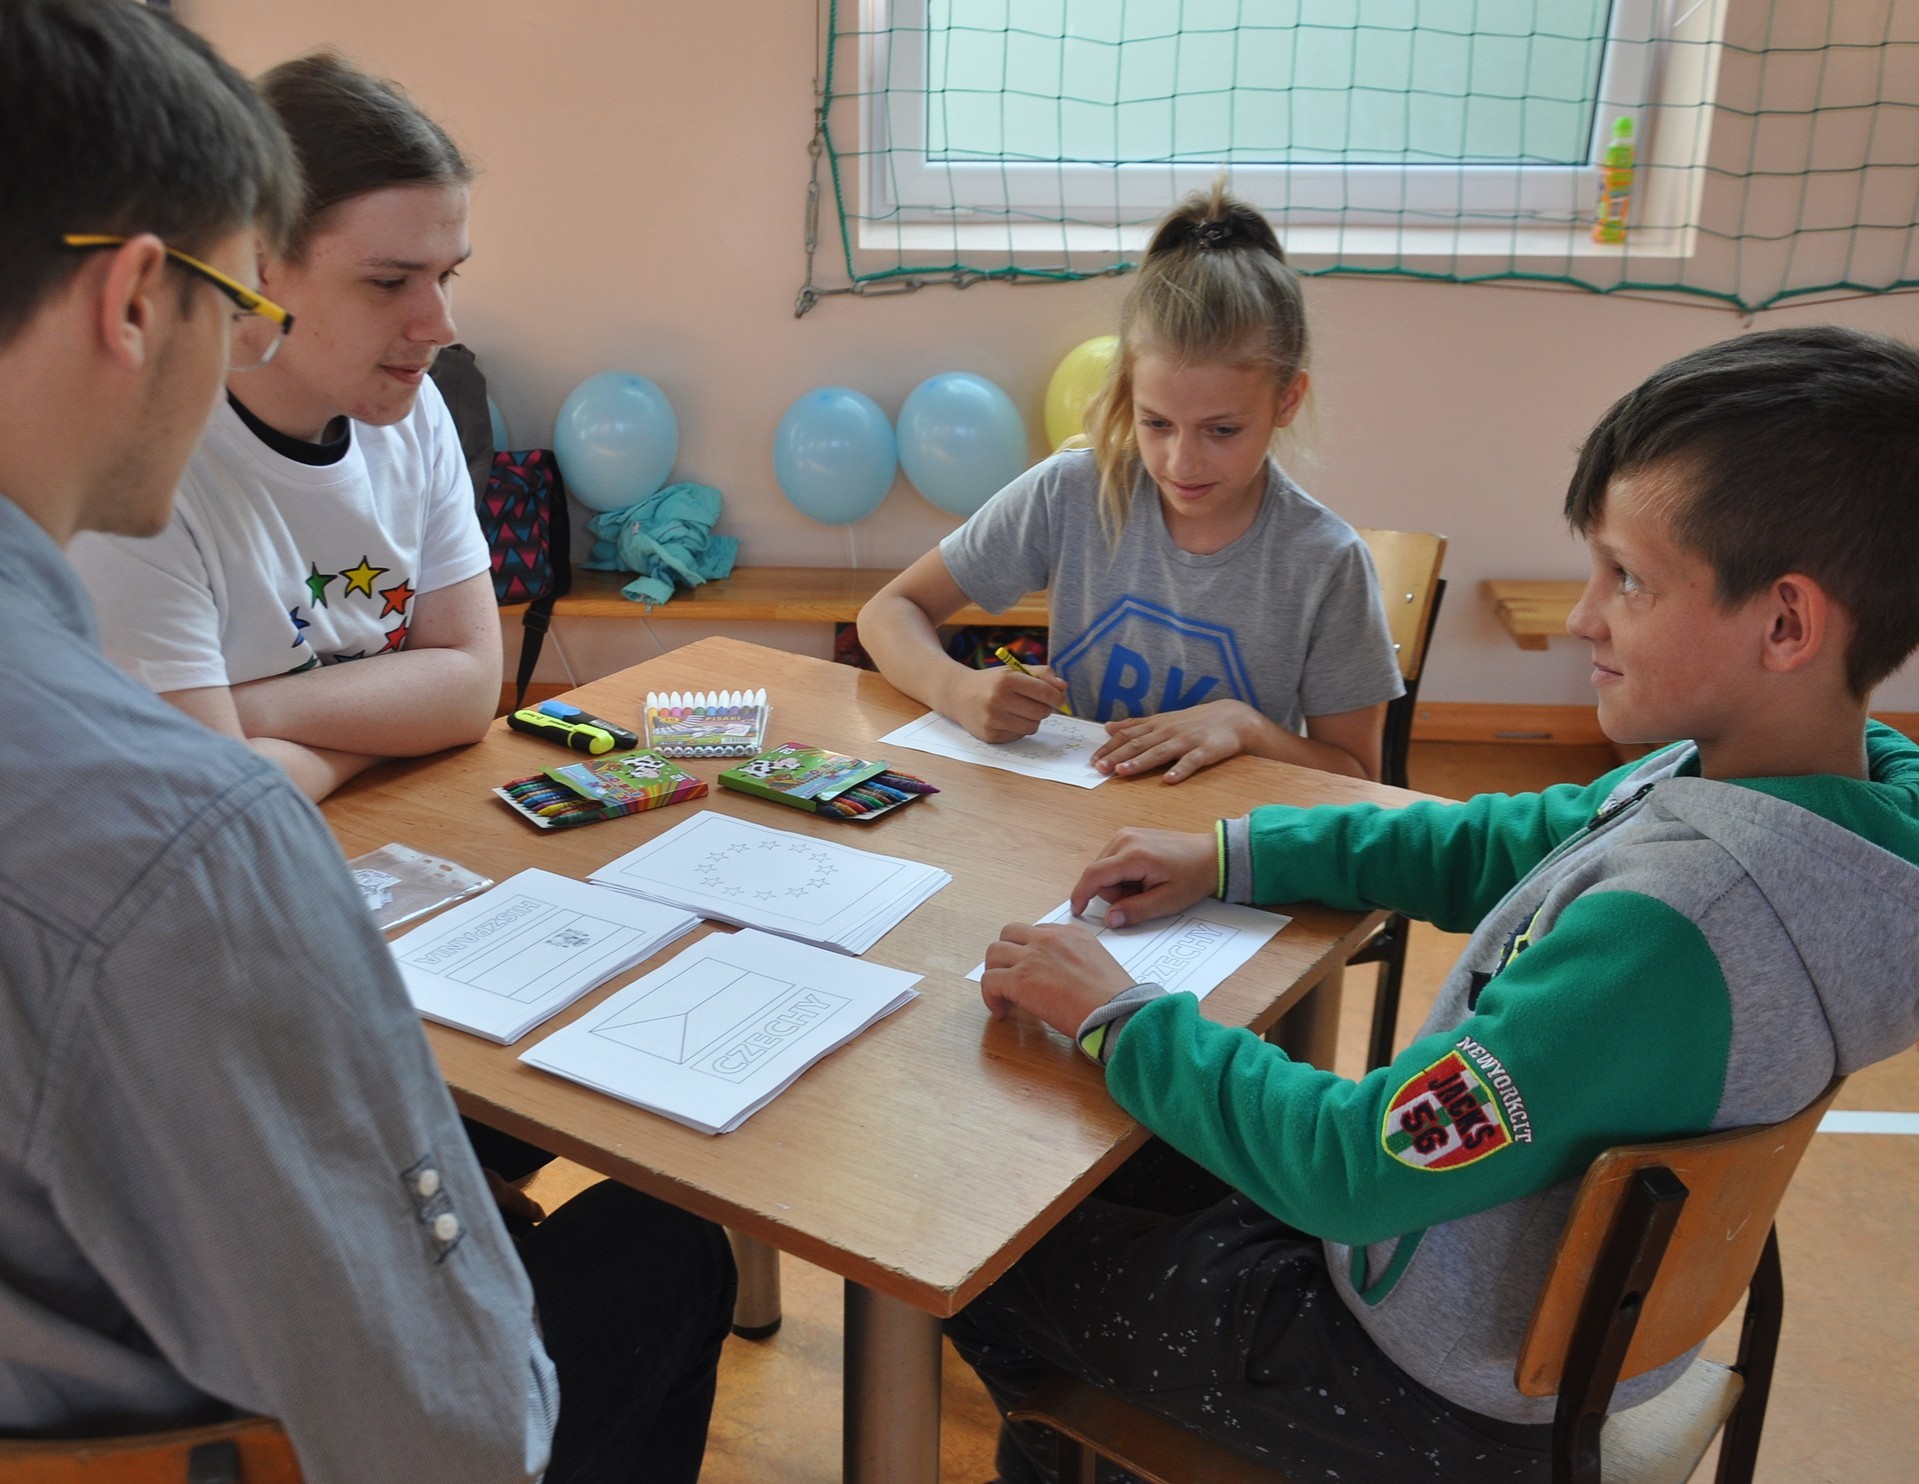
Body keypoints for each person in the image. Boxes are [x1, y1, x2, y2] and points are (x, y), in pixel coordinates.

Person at [953, 325, 1919, 1483]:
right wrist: (1233, 853)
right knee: (1113, 1157)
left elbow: (1355, 1169)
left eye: (1627, 578)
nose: (1583, 617)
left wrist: (1117, 1013)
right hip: (1500, 1302)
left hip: (1426, 1386)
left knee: (977, 1254)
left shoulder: (1674, 927)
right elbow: (1493, 841)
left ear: (1785, 623)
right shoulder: (1839, 796)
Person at [0, 6, 732, 1482]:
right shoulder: (186, 842)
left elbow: (465, 684)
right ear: (140, 300)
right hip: (226, 1430)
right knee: (668, 1251)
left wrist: (253, 725)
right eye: (229, 295)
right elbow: (460, 1424)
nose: (242, 346)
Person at [858, 185, 1402, 784]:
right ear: (1128, 393)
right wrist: (956, 688)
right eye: (1157, 423)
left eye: (1222, 430)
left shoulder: (1326, 560)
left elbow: (1358, 777)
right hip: (1080, 818)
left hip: (1227, 832)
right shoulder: (1070, 493)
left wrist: (1246, 727)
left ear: (1287, 400)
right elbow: (889, 611)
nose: (1182, 463)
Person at [70, 50, 502, 804]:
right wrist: (385, 731)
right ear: (254, 264)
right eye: (389, 282)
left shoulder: (414, 409)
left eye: (447, 275)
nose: (440, 326)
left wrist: (247, 716)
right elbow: (205, 795)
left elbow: (470, 690)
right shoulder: (135, 468)